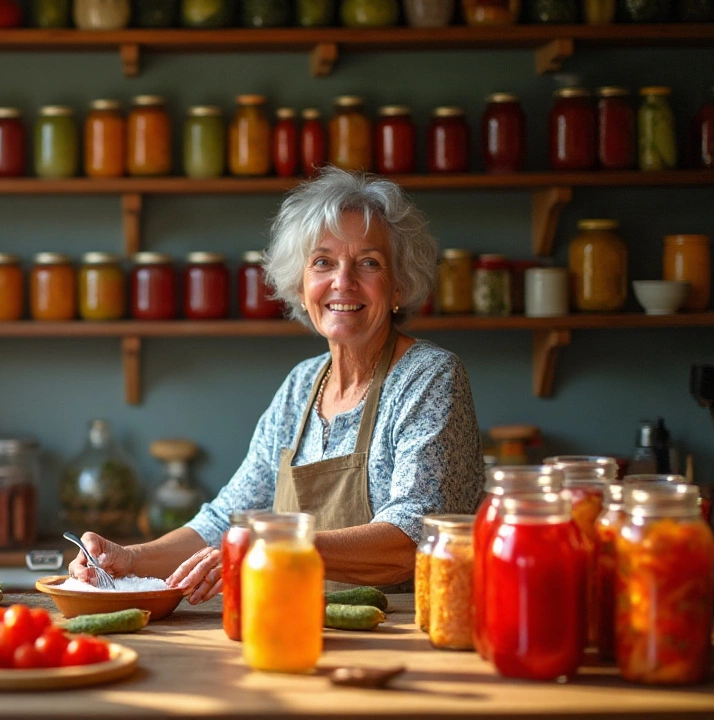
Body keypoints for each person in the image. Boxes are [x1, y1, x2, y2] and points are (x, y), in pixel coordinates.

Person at [69, 167, 486, 602]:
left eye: (368, 262)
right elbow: (226, 521)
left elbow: (414, 538)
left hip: (400, 634)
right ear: (302, 285)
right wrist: (128, 559)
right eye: (323, 262)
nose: (342, 281)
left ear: (398, 284)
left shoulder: (430, 377)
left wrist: (275, 543)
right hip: (293, 623)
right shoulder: (302, 385)